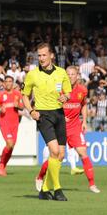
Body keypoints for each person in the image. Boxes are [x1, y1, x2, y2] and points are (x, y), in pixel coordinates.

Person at [36, 66, 100, 194]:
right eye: (68, 74)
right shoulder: (59, 89)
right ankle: (39, 177)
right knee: (58, 156)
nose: (70, 76)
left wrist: (84, 121)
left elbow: (84, 105)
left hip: (75, 126)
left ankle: (92, 185)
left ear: (77, 76)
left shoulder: (82, 90)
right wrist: (59, 116)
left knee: (83, 153)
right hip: (60, 126)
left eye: (73, 74)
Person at [21, 43, 71, 201]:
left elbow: (68, 91)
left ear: (52, 56)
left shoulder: (62, 72)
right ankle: (57, 189)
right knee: (54, 151)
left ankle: (44, 189)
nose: (41, 58)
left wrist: (66, 97)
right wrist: (31, 111)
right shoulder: (32, 74)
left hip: (59, 114)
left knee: (61, 155)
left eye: (44, 55)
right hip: (43, 116)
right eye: (39, 55)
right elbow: (24, 95)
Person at [0, 75, 23, 176]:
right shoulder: (0, 94)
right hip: (4, 123)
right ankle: (1, 165)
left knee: (11, 147)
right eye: (6, 81)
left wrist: (18, 105)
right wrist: (0, 109)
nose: (8, 83)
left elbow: (22, 107)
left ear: (13, 83)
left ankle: (2, 167)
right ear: (4, 83)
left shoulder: (17, 94)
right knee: (10, 144)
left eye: (10, 81)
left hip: (15, 123)